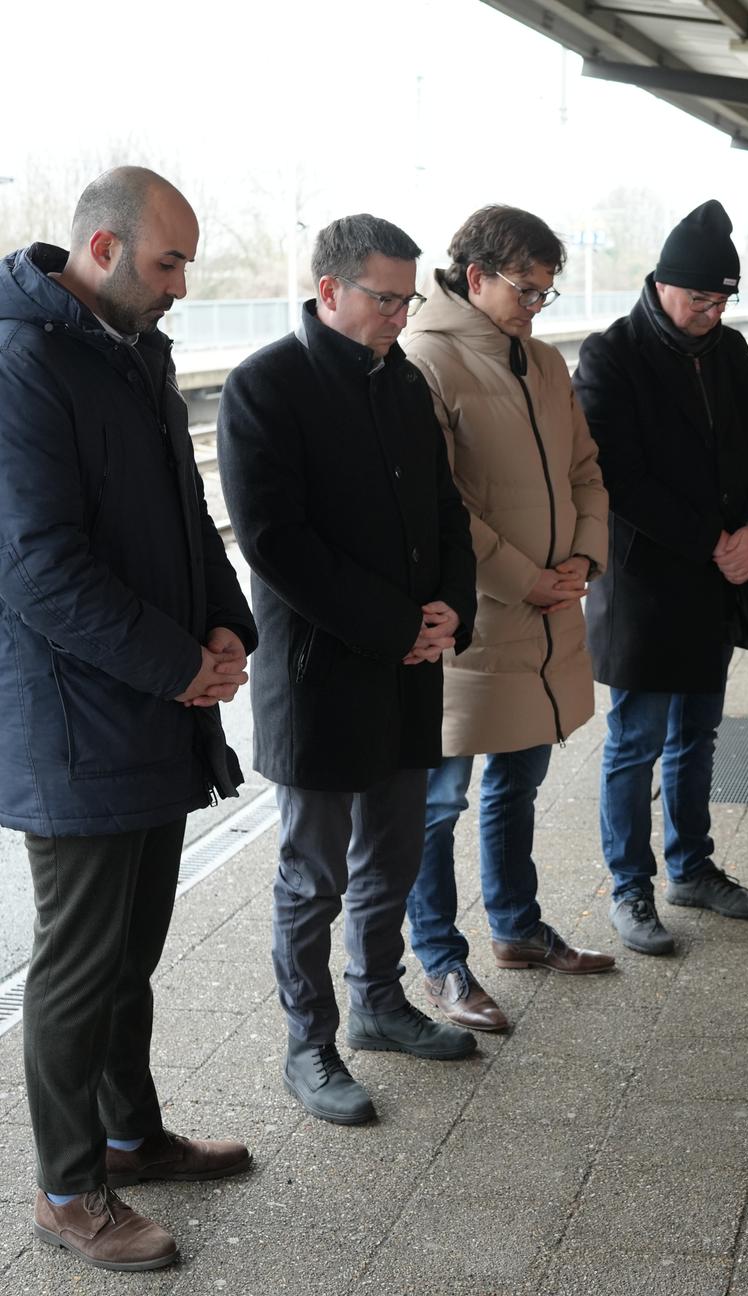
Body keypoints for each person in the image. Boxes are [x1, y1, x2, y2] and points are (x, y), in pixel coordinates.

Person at [0, 166, 257, 1272]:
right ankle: (67, 1192)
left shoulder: (132, 350)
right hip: (77, 722)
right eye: (170, 262)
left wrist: (227, 628)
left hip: (150, 703)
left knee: (130, 953)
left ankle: (128, 1136)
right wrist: (176, 665)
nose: (184, 286)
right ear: (101, 250)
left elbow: (186, 514)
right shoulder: (24, 364)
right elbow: (38, 567)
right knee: (80, 961)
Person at [216, 214, 479, 1127]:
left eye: (410, 299)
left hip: (407, 670)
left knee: (394, 857)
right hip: (323, 674)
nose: (402, 316)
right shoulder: (264, 388)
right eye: (386, 298)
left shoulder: (401, 381)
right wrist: (398, 624)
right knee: (312, 874)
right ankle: (310, 1044)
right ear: (329, 290)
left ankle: (378, 1005)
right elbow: (276, 544)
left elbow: (448, 509)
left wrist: (452, 610)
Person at [402, 205, 613, 1033]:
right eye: (527, 290)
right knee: (439, 798)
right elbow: (440, 506)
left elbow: (588, 470)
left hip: (551, 617)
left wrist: (584, 562)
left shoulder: (547, 360)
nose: (536, 306)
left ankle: (517, 929)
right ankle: (440, 961)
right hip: (480, 624)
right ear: (475, 274)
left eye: (546, 293)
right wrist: (528, 579)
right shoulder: (427, 361)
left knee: (519, 782)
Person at [573, 199, 748, 956]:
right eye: (700, 297)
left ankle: (691, 867)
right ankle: (629, 888)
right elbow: (618, 477)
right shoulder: (611, 356)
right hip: (646, 587)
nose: (712, 311)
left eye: (723, 299)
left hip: (719, 579)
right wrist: (715, 540)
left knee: (697, 732)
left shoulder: (727, 351)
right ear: (663, 284)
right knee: (636, 739)